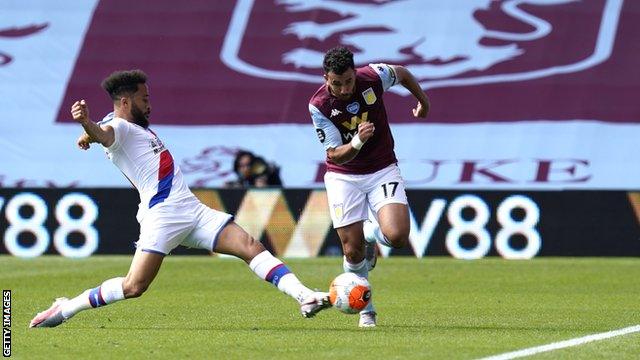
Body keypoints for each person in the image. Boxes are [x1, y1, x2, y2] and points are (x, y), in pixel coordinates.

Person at [29, 70, 330, 328]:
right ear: (125, 102)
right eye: (144, 99)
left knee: (251, 247)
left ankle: (304, 296)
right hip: (162, 215)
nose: (149, 105)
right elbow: (105, 132)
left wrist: (89, 135)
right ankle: (66, 308)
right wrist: (87, 126)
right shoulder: (119, 127)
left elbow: (102, 131)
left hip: (191, 209)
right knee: (134, 286)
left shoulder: (124, 123)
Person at [308, 47, 429, 327]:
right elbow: (334, 154)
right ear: (326, 77)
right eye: (335, 83)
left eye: (348, 81)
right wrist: (359, 141)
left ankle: (369, 233)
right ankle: (367, 310)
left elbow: (402, 73)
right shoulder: (319, 105)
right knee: (352, 252)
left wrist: (423, 102)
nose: (343, 88)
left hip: (383, 169)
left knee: (397, 236)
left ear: (354, 72)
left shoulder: (373, 76)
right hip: (343, 176)